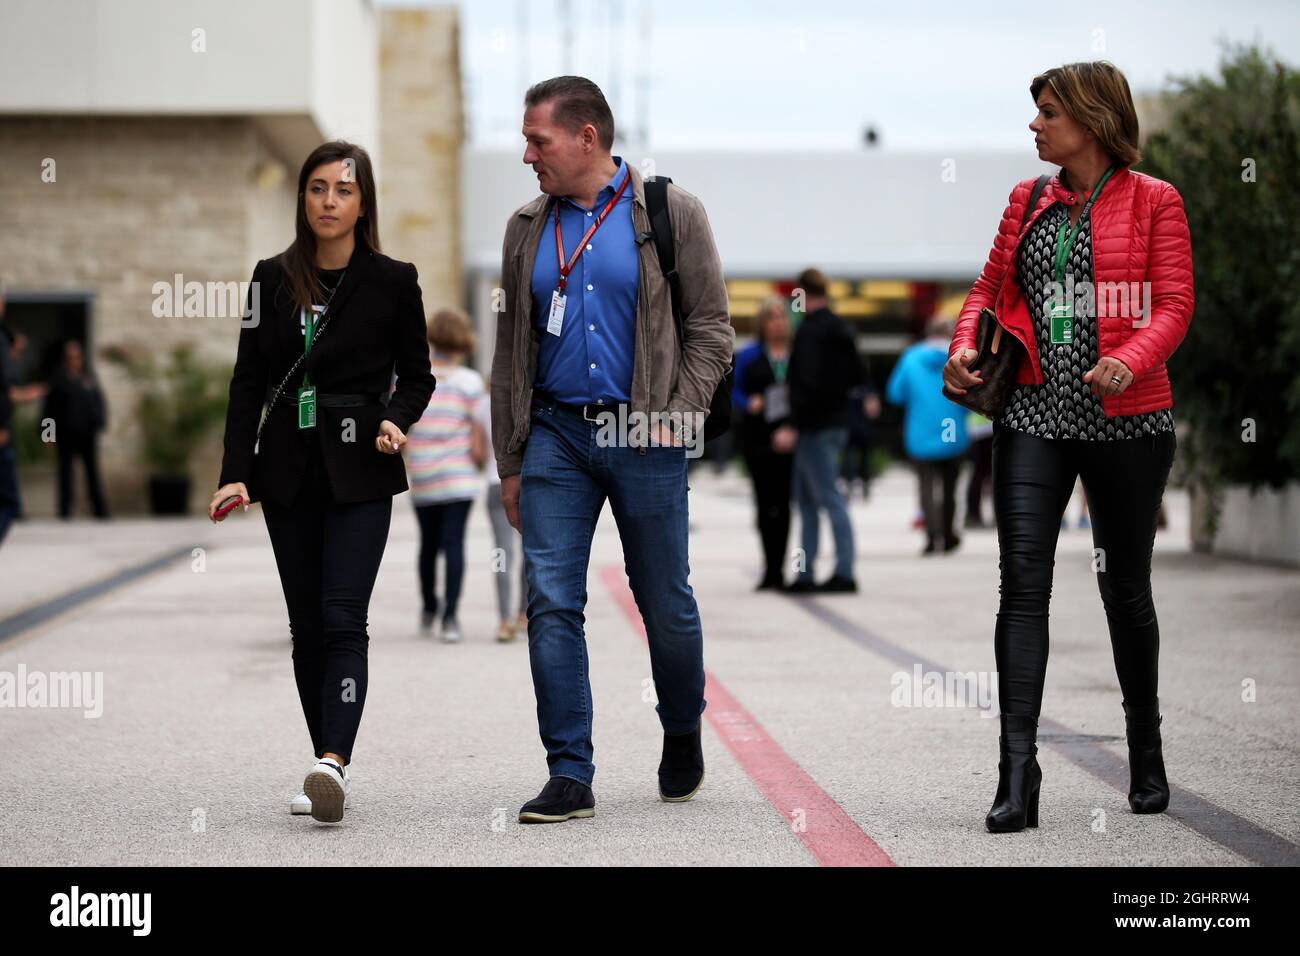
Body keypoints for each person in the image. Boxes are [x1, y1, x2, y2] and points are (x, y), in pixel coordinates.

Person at [943, 61, 1193, 832]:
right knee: (1022, 584)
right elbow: (988, 290)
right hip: (1033, 414)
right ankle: (1017, 776)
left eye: (1048, 112)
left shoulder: (1156, 201)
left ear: (1090, 118)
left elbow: (1175, 302)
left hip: (1128, 418)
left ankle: (1145, 753)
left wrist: (1131, 358)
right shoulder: (1026, 202)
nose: (1035, 125)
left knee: (1125, 587)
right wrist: (962, 345)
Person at [491, 76, 732, 823]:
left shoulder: (670, 212)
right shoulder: (527, 226)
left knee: (665, 601)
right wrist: (511, 460)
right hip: (557, 434)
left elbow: (711, 330)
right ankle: (570, 772)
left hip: (644, 430)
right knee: (552, 599)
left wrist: (677, 415)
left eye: (539, 140)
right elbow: (511, 350)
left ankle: (683, 728)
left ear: (586, 137)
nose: (527, 155)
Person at [209, 140, 436, 824]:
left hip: (362, 465)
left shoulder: (393, 279)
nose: (329, 201)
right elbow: (247, 382)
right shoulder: (269, 277)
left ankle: (333, 759)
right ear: (302, 198)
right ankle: (322, 763)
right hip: (287, 470)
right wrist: (233, 474)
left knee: (343, 617)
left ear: (363, 201)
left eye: (343, 189)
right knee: (306, 626)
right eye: (316, 188)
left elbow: (419, 373)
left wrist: (398, 419)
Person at [777, 267, 866, 594]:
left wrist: (793, 422)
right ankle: (807, 572)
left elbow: (806, 382)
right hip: (835, 422)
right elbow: (858, 374)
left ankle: (841, 571)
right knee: (815, 500)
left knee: (821, 499)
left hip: (814, 427)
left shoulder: (810, 331)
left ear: (801, 294)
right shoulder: (842, 327)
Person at [405, 307, 487, 643]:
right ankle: (451, 617)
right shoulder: (470, 382)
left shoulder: (412, 378)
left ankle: (428, 607)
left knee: (428, 544)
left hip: (423, 473)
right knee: (454, 543)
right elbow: (478, 431)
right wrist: (479, 460)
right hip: (459, 476)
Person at [886, 315, 970, 554]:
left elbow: (894, 394)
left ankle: (932, 538)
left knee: (926, 487)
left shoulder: (911, 358)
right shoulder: (961, 357)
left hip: (920, 434)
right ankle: (949, 533)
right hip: (954, 433)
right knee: (950, 488)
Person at [738, 297, 796, 590]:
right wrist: (748, 402)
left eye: (782, 317)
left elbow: (807, 394)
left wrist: (793, 428)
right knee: (764, 504)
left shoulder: (796, 356)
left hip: (790, 439)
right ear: (762, 323)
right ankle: (769, 567)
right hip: (759, 438)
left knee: (783, 505)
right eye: (771, 318)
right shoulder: (750, 355)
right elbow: (731, 390)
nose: (778, 323)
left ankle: (781, 568)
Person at [475, 374, 528, 642]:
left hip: (495, 484)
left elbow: (476, 451)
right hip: (526, 480)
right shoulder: (526, 402)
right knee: (530, 550)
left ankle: (504, 619)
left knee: (501, 553)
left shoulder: (483, 406)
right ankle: (524, 613)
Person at [42, 340, 109, 519]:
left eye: (77, 356)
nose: (74, 360)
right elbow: (48, 409)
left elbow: (99, 403)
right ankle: (64, 513)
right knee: (65, 474)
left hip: (87, 433)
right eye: (70, 357)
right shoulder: (58, 379)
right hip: (65, 434)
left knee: (92, 473)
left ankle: (100, 512)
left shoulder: (89, 378)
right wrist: (47, 435)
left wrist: (99, 422)